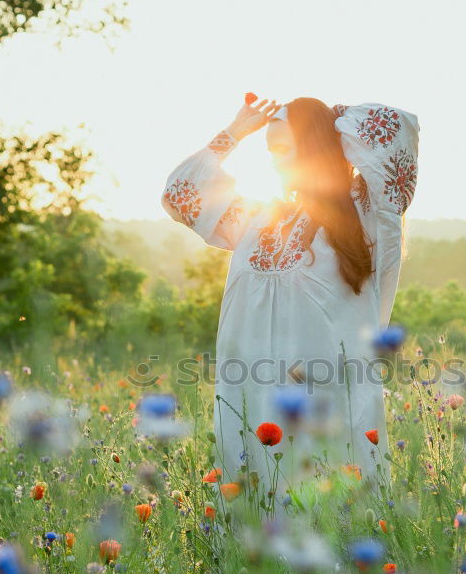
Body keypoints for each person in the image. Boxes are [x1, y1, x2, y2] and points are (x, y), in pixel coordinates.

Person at [161, 96, 419, 503]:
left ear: (315, 147)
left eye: (283, 149)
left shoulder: (365, 216)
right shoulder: (255, 218)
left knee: (327, 516)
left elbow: (396, 133)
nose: (274, 161)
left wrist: (332, 119)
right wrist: (235, 131)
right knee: (257, 513)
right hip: (251, 395)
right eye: (270, 151)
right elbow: (180, 194)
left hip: (324, 402)